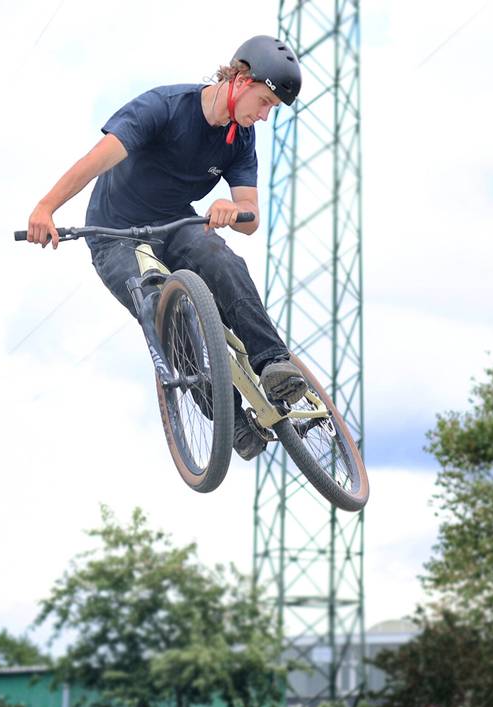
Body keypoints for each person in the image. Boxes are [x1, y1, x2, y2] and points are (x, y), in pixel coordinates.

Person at [24, 35, 305, 461]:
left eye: (271, 109)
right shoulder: (164, 108)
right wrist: (46, 207)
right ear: (241, 79)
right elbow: (93, 162)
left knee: (221, 259)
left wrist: (233, 208)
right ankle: (225, 418)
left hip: (174, 222)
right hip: (113, 232)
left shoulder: (240, 138)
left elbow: (252, 215)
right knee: (163, 312)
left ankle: (273, 363)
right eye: (264, 102)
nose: (265, 116)